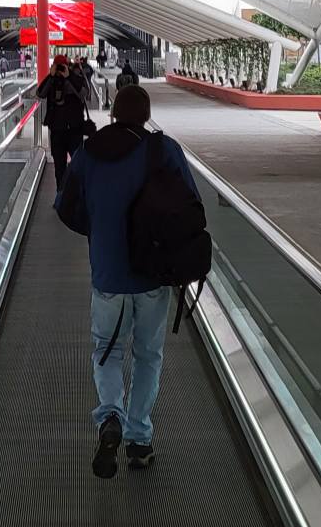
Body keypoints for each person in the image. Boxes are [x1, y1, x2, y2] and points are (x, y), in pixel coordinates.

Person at [55, 85, 200, 479]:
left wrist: (98, 232)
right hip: (153, 272)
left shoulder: (89, 152)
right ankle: (139, 439)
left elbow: (66, 206)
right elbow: (190, 204)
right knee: (148, 355)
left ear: (114, 113)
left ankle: (110, 418)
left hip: (108, 273)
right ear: (146, 114)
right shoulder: (163, 149)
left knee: (107, 350)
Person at [37, 55, 89, 188]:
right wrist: (51, 76)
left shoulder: (74, 78)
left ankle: (77, 194)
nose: (60, 69)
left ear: (67, 66)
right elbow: (40, 93)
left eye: (62, 66)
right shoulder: (52, 80)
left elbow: (83, 93)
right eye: (57, 66)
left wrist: (69, 77)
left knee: (77, 165)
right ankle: (61, 193)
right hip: (57, 130)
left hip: (74, 129)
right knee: (59, 168)